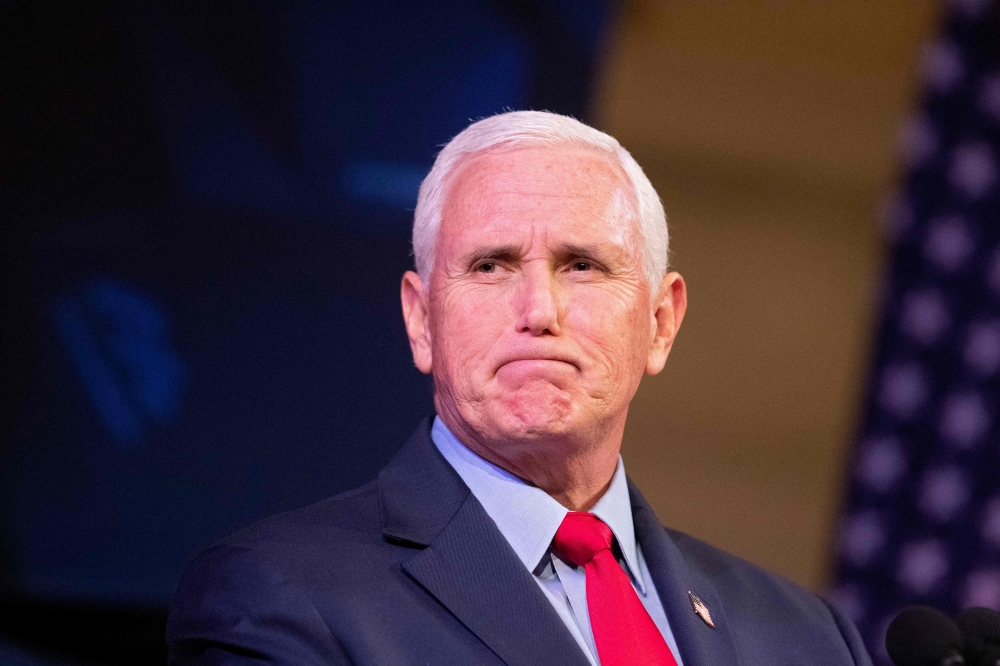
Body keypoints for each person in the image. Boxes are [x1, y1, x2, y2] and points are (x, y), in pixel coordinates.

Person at [166, 111, 872, 666]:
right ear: (421, 320)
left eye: (583, 266)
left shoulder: (807, 637)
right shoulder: (281, 598)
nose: (539, 310)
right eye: (491, 266)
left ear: (660, 322)